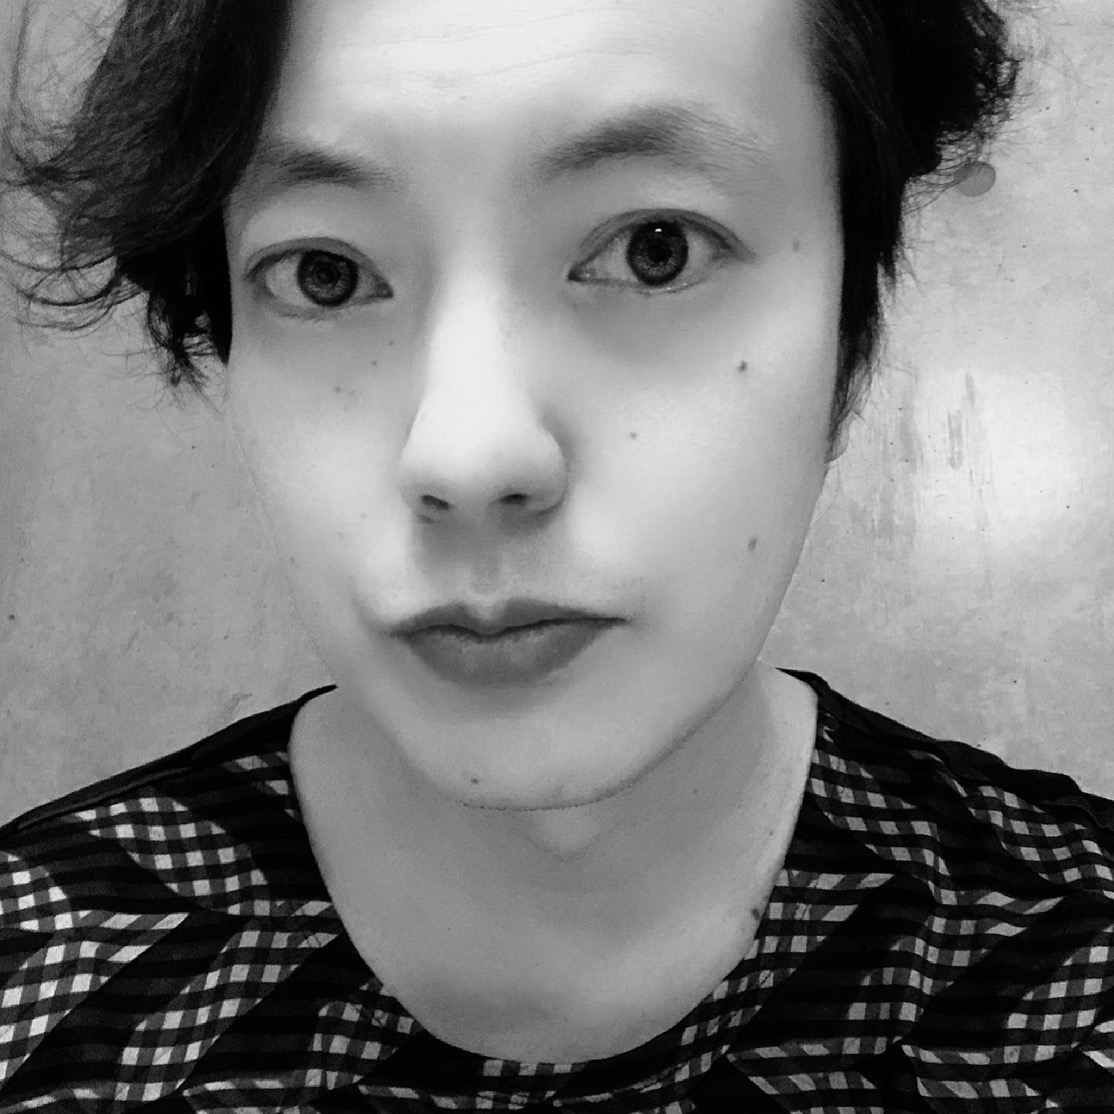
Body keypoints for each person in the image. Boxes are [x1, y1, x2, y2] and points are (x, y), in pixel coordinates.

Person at [1, 0, 1111, 1108]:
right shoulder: (38, 985)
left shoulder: (1075, 966)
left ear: (849, 346)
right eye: (324, 272)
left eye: (654, 250)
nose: (468, 454)